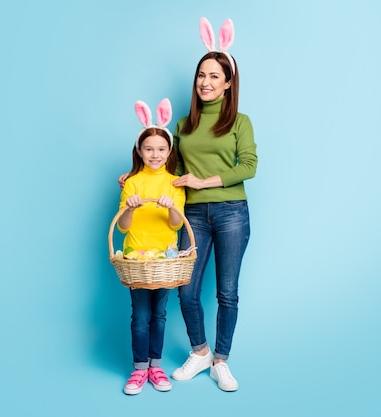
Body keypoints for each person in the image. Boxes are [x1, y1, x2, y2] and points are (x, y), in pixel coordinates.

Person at [118, 17, 257, 392]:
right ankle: (199, 351)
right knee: (186, 289)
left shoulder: (240, 122)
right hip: (190, 214)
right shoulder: (182, 124)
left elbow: (249, 167)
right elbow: (163, 163)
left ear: (228, 82)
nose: (206, 82)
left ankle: (221, 362)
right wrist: (132, 177)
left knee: (227, 292)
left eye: (214, 76)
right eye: (201, 75)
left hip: (231, 213)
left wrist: (203, 181)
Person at [117, 98, 186, 395]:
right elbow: (123, 226)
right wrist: (130, 208)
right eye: (149, 149)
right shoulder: (132, 182)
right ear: (139, 151)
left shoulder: (174, 183)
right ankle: (139, 369)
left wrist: (171, 207)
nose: (155, 154)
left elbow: (177, 225)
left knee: (160, 315)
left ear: (169, 151)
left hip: (166, 260)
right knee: (141, 316)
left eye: (160, 149)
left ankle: (156, 366)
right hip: (137, 259)